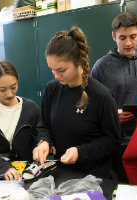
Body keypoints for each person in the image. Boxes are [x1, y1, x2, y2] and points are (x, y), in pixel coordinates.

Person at [32, 26, 120, 179]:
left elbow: (112, 141)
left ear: (79, 61)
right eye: (52, 69)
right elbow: (43, 125)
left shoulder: (101, 96)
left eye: (61, 70)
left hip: (93, 177)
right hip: (62, 173)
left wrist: (81, 152)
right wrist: (44, 141)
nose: (56, 75)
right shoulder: (52, 89)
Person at [91, 11, 137, 182]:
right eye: (122, 38)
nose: (128, 43)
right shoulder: (101, 67)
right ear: (114, 36)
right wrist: (112, 114)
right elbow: (91, 107)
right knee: (122, 189)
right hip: (117, 143)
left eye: (133, 36)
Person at [0, 61, 48, 180]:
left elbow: (42, 130)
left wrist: (43, 142)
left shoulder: (30, 108)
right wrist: (0, 166)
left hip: (28, 173)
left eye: (13, 87)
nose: (10, 93)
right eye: (2, 90)